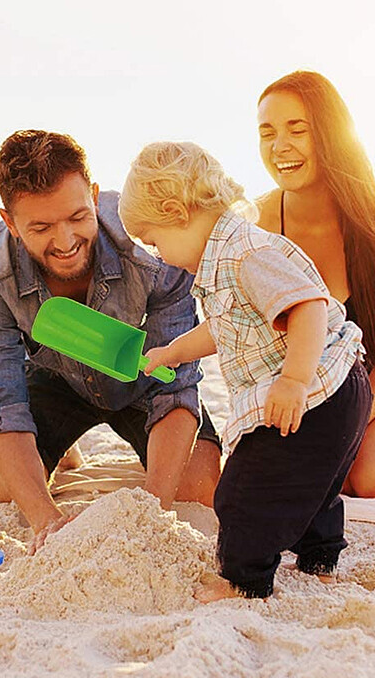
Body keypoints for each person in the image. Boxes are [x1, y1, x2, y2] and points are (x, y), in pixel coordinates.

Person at [122, 140, 370, 601]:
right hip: (335, 390)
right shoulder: (223, 262)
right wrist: (173, 351)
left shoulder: (245, 253)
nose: (160, 256)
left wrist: (293, 380)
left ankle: (242, 580)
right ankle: (319, 561)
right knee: (315, 483)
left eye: (155, 242)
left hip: (314, 392)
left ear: (177, 211)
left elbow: (309, 307)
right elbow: (227, 325)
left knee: (243, 492)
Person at [0, 129, 222, 552]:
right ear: (10, 222)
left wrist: (149, 512)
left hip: (143, 378)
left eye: (78, 218)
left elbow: (176, 386)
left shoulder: (151, 246)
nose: (65, 242)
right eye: (41, 227)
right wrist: (47, 520)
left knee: (198, 485)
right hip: (55, 379)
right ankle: (64, 450)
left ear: (95, 197)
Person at [255, 70, 375, 497]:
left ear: (329, 133)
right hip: (294, 407)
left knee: (366, 478)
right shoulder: (257, 227)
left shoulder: (369, 217)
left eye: (297, 129)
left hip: (369, 395)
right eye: (267, 132)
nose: (279, 146)